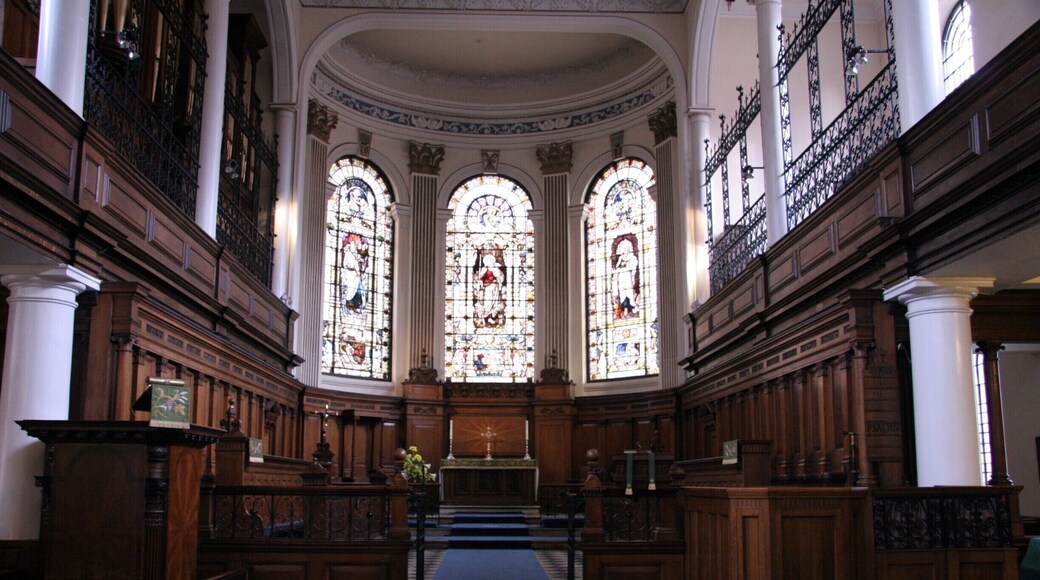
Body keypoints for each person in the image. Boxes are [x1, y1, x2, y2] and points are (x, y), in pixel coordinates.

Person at [474, 252, 506, 327]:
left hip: (494, 289)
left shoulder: (496, 269)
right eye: (487, 262)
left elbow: (500, 277)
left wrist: (495, 271)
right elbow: (480, 277)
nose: (489, 263)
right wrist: (480, 277)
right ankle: (486, 317)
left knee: (494, 304)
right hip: (486, 289)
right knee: (487, 303)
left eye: (490, 262)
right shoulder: (484, 269)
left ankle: (492, 317)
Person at [611, 238, 638, 319]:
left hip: (628, 277)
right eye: (624, 249)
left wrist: (629, 263)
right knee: (622, 292)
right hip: (622, 277)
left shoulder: (632, 257)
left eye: (627, 249)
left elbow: (634, 265)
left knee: (629, 291)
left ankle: (632, 308)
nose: (625, 250)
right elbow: (618, 267)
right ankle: (625, 309)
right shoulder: (621, 258)